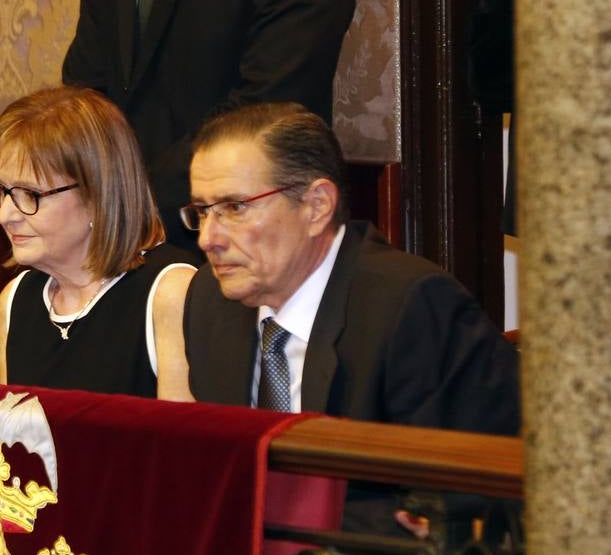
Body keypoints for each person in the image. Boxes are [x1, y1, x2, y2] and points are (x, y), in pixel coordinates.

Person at [182, 101, 519, 494]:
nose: (208, 239)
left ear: (316, 206)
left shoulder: (410, 306)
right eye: (203, 212)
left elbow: (457, 498)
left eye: (235, 207)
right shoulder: (208, 299)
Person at [62, 0, 358, 255]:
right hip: (112, 235)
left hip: (237, 235)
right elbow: (86, 77)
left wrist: (135, 202)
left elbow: (273, 100)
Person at [0, 87, 195, 400]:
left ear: (96, 196)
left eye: (30, 195)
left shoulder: (169, 291)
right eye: (4, 192)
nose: (4, 216)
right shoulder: (15, 299)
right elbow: (16, 442)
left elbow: (184, 445)